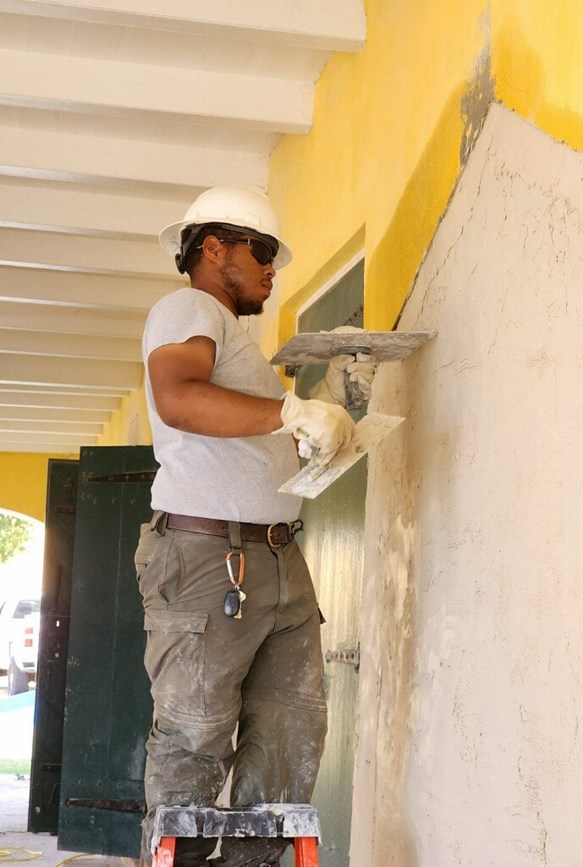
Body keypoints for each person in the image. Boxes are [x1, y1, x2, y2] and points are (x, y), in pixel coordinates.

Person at [134, 187, 375, 867]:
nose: (273, 269)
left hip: (274, 558)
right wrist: (291, 414)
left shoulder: (237, 343)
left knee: (289, 736)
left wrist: (323, 412)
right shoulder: (188, 307)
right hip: (213, 554)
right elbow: (179, 398)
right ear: (213, 248)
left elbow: (248, 434)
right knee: (195, 742)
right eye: (262, 252)